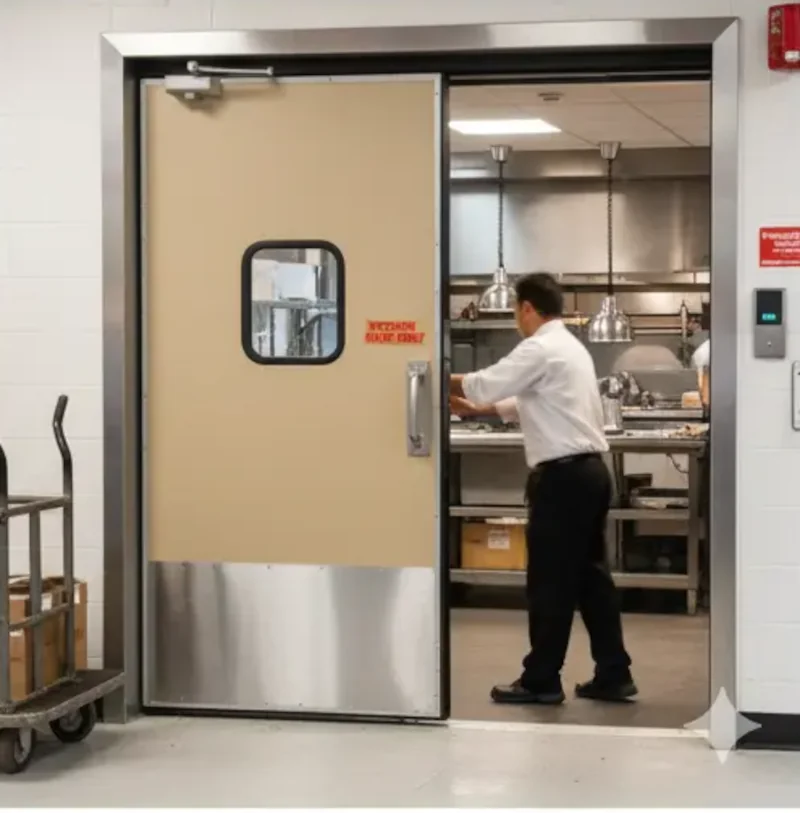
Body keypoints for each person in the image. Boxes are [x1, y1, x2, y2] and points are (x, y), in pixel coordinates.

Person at [450, 272, 636, 705]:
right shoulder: (570, 347)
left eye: (516, 309)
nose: (517, 317)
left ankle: (541, 680)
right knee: (591, 581)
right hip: (590, 474)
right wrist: (479, 409)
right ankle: (614, 672)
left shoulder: (539, 346)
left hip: (563, 481)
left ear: (527, 307)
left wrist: (432, 375)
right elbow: (529, 399)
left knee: (550, 583)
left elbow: (487, 381)